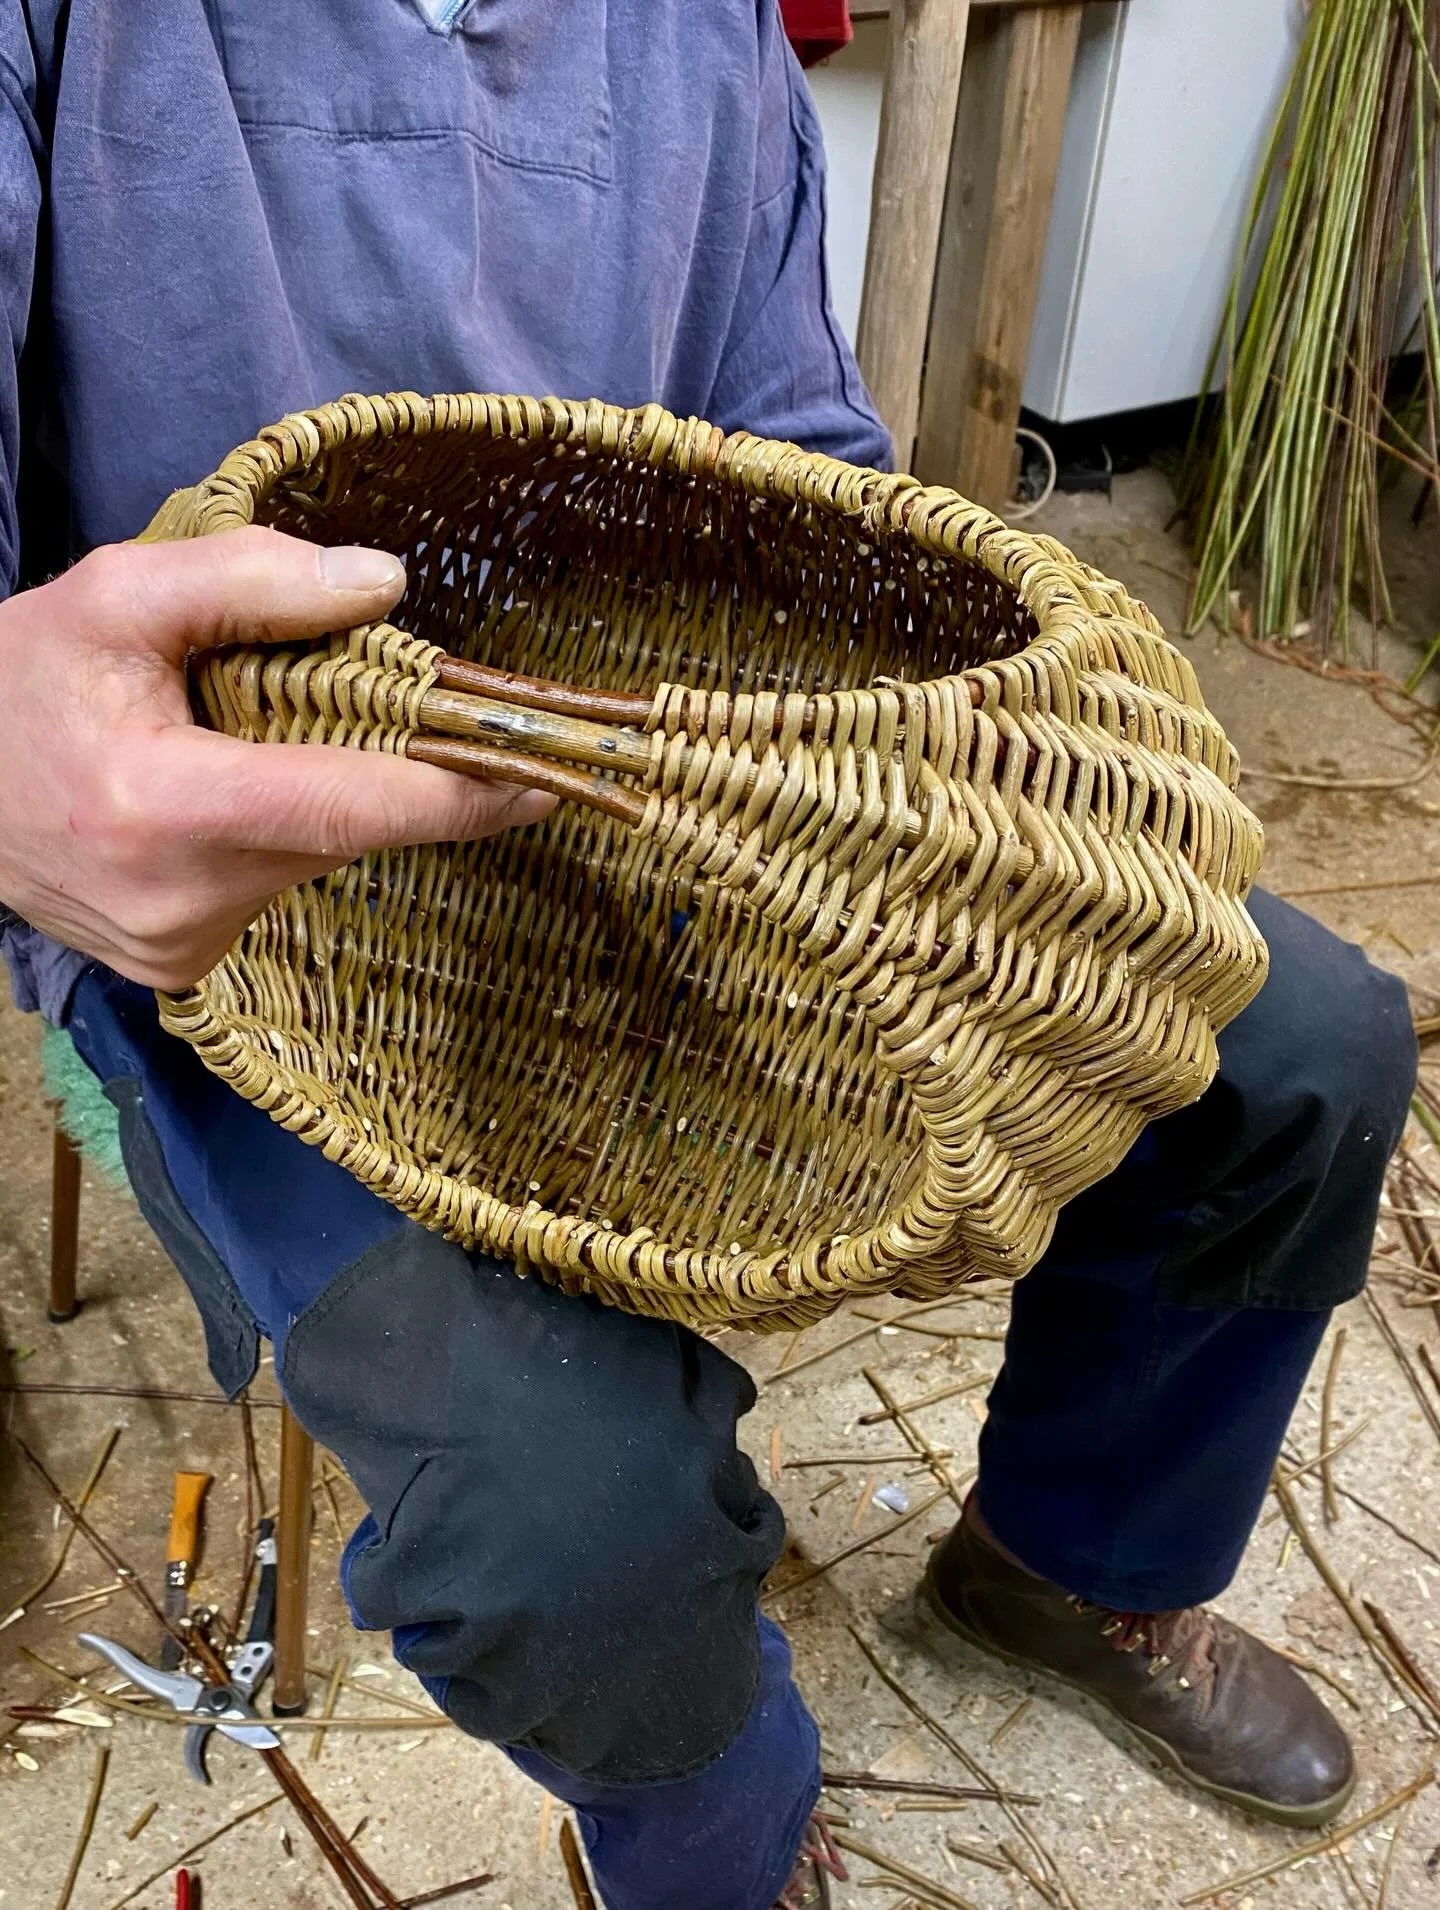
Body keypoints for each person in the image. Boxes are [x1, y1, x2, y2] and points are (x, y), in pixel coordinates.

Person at [0, 5, 1416, 1907]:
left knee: (1307, 1044)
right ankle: (726, 1829)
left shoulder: (688, 27)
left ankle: (1079, 1558)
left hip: (671, 808)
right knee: (563, 1508)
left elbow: (800, 458)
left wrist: (948, 750)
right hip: (241, 923)